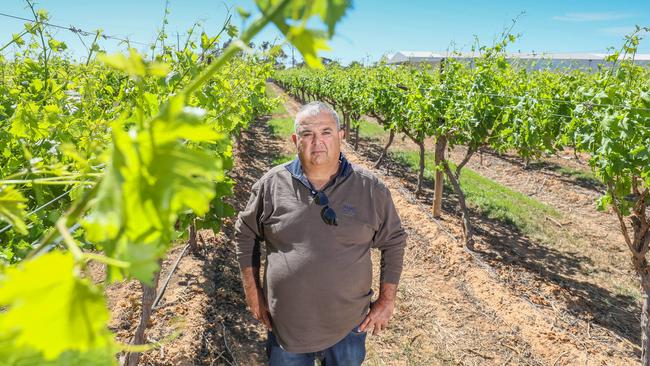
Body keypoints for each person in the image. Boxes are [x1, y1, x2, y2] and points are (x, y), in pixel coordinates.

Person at [234, 101, 406, 365]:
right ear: (295, 139)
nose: (318, 142)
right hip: (286, 327)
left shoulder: (370, 189)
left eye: (326, 132)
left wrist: (386, 300)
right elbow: (245, 234)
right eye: (307, 134)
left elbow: (394, 241)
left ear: (341, 136)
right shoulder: (271, 185)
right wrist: (252, 291)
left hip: (349, 327)